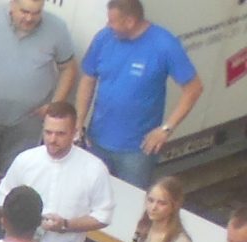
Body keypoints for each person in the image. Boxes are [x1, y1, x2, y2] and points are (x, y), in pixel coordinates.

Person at [0, 102, 114, 242]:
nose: (52, 139)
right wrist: (20, 233)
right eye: (48, 132)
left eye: (60, 134)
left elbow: (103, 216)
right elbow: (4, 200)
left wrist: (66, 225)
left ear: (74, 132)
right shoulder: (26, 160)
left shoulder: (93, 169)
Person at [76, 0, 199, 185]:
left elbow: (193, 89)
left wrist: (166, 129)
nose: (108, 25)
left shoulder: (164, 44)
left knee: (131, 199)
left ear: (130, 21)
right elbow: (88, 79)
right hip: (96, 142)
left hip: (137, 151)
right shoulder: (104, 38)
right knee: (90, 193)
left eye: (112, 21)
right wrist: (79, 122)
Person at [0, 0, 75, 161]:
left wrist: (54, 105)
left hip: (27, 121)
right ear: (12, 5)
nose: (29, 18)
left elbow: (68, 68)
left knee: (17, 168)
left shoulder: (57, 28)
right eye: (24, 12)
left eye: (36, 13)